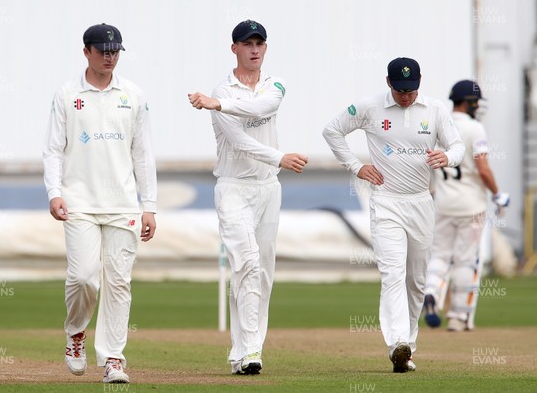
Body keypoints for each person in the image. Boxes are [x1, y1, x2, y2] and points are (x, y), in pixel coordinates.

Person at [322, 57, 465, 373]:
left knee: (416, 280)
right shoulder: (371, 107)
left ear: (420, 83)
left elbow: (458, 146)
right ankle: (396, 343)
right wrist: (357, 166)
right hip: (386, 202)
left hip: (421, 202)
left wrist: (448, 157)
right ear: (388, 83)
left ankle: (408, 349)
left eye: (411, 90)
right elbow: (332, 131)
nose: (406, 96)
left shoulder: (435, 109)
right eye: (400, 90)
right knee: (392, 274)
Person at [188, 19, 308, 375]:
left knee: (262, 274)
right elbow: (241, 143)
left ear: (265, 48)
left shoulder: (275, 85)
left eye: (259, 44)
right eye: (247, 44)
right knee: (246, 264)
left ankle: (241, 353)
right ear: (234, 49)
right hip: (233, 188)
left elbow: (260, 110)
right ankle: (252, 351)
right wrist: (280, 157)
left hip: (268, 188)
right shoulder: (221, 88)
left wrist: (218, 105)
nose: (254, 50)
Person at [43, 23, 157, 384]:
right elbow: (52, 149)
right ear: (86, 51)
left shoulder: (133, 95)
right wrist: (54, 192)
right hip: (79, 203)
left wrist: (149, 205)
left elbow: (143, 154)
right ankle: (76, 332)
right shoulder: (66, 95)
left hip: (123, 204)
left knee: (119, 282)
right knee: (84, 277)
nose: (110, 57)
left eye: (115, 51)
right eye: (103, 50)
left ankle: (113, 359)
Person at [423, 80, 510, 332]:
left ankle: (431, 294)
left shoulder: (438, 126)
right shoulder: (475, 129)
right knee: (466, 260)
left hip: (443, 203)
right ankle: (458, 317)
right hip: (471, 206)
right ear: (469, 103)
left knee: (439, 256)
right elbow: (483, 169)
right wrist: (498, 194)